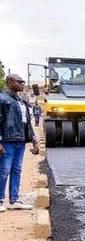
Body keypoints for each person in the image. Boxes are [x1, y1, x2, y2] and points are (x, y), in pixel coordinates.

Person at [0, 74, 40, 212]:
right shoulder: (2, 99)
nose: (23, 84)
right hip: (7, 140)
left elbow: (27, 122)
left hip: (20, 141)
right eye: (20, 82)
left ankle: (14, 200)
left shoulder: (22, 101)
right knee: (4, 171)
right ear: (10, 82)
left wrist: (33, 139)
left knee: (16, 170)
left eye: (23, 82)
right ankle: (0, 201)